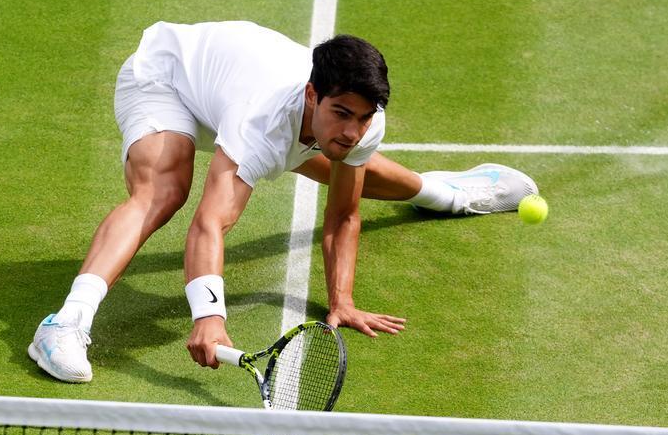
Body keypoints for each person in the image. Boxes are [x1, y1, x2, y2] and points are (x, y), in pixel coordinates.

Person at [28, 21, 538, 383]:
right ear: (313, 95)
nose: (353, 129)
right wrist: (208, 316)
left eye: (363, 117)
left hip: (233, 91)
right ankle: (65, 323)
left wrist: (342, 300)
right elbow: (210, 224)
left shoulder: (360, 120)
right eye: (342, 113)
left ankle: (450, 193)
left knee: (358, 173)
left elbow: (343, 213)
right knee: (165, 190)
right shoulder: (260, 121)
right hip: (167, 80)